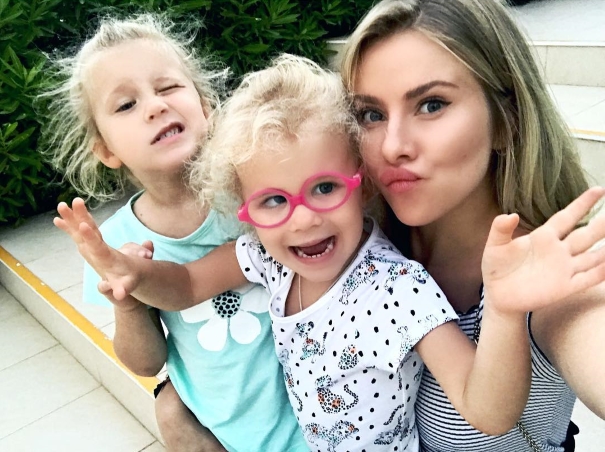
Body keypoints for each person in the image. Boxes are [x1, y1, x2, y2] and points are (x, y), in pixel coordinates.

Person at [54, 54, 605, 452]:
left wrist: (504, 312)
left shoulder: (398, 289)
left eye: (324, 188)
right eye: (273, 201)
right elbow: (187, 285)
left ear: (361, 181)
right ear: (244, 208)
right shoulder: (266, 258)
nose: (303, 218)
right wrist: (130, 274)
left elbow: (487, 410)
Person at [339, 0, 605, 451]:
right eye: (371, 114)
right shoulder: (355, 243)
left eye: (431, 104)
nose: (392, 146)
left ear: (507, 120)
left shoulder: (549, 282)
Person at [41, 13, 307, 452]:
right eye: (126, 105)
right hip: (224, 432)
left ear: (205, 107)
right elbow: (147, 363)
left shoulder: (257, 191)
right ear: (106, 150)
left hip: (319, 417)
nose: (155, 106)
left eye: (167, 87)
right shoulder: (114, 244)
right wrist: (127, 304)